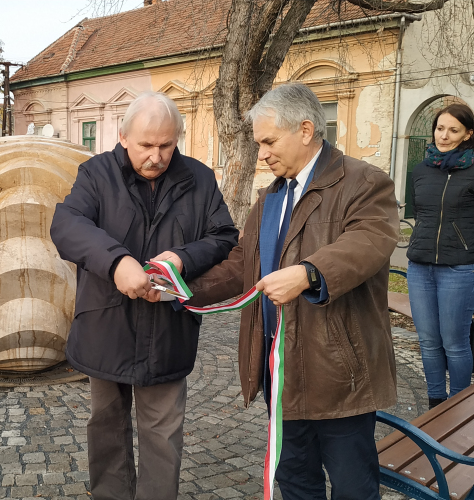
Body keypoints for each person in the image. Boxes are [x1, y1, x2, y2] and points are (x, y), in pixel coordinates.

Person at [186, 83, 398, 500]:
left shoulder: (363, 181)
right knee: (296, 484)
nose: (262, 153)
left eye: (268, 141)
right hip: (280, 371)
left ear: (305, 130)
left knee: (353, 488)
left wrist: (308, 272)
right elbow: (241, 263)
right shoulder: (269, 198)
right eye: (259, 143)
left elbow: (370, 241)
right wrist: (181, 288)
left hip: (339, 374)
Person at [50, 91, 239, 500]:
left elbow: (224, 236)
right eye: (146, 145)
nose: (156, 156)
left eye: (167, 145)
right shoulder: (96, 174)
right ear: (123, 137)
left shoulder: (200, 179)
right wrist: (117, 262)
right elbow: (66, 225)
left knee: (163, 432)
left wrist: (184, 259)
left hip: (169, 328)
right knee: (106, 426)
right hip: (105, 324)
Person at [406, 103, 474, 409]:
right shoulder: (421, 170)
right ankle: (436, 404)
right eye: (439, 128)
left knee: (455, 344)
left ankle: (458, 407)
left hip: (458, 268)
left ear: (468, 134)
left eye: (453, 130)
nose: (443, 136)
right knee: (429, 342)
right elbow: (420, 214)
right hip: (420, 266)